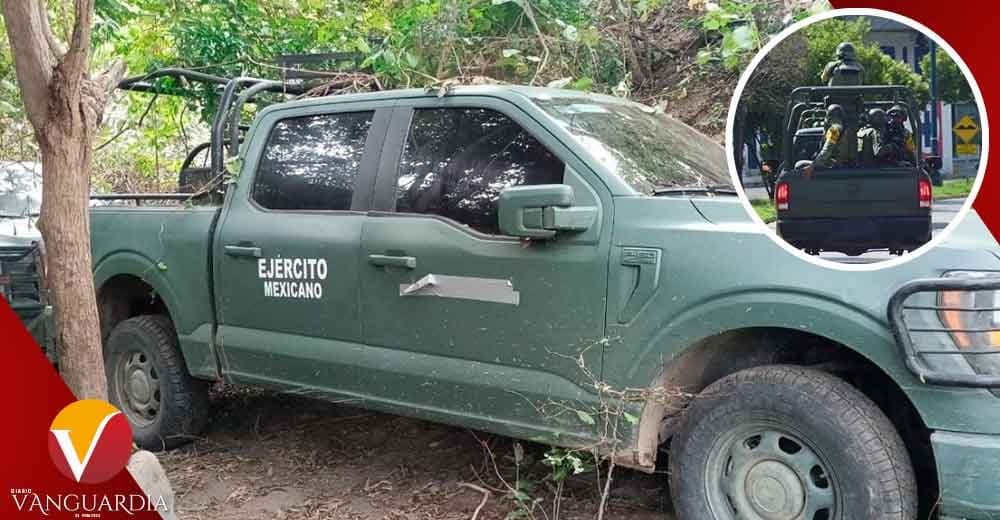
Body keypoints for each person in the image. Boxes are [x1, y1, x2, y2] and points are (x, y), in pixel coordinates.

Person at [797, 104, 847, 171]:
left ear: (829, 116)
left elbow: (827, 150)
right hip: (839, 164)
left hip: (833, 165)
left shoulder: (834, 130)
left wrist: (812, 166)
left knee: (799, 164)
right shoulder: (843, 128)